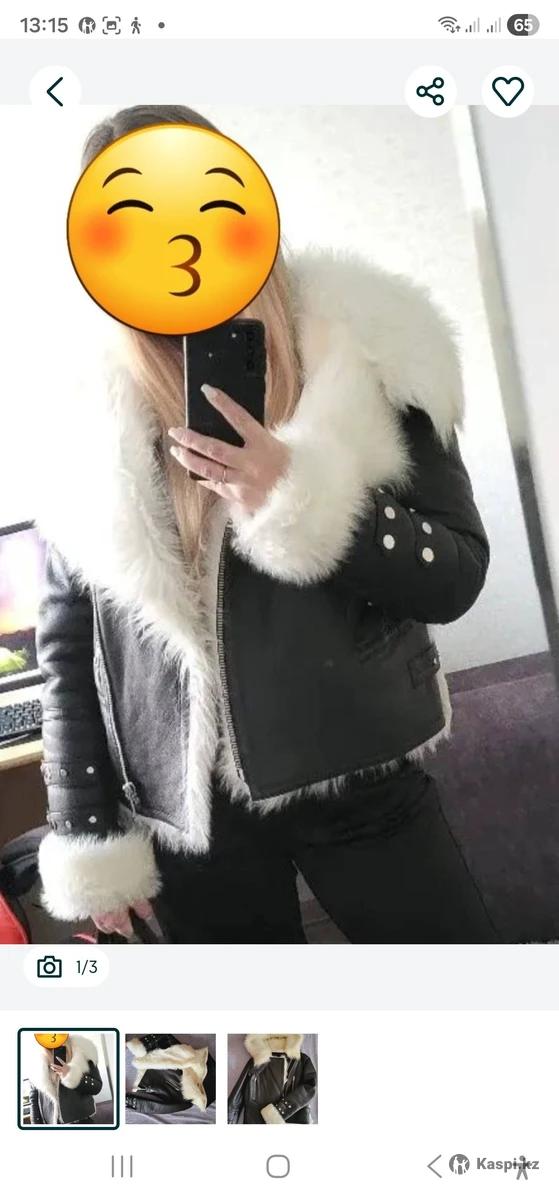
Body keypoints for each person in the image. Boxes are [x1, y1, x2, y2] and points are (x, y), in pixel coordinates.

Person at [36, 104, 496, 945]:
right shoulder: (83, 415)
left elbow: (455, 573)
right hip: (186, 821)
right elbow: (70, 646)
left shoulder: (367, 345)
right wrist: (87, 835)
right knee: (250, 1029)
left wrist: (301, 497)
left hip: (358, 774)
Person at [28, 1035, 102, 1125]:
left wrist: (71, 1075)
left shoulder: (83, 1049)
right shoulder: (35, 1059)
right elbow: (34, 1099)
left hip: (81, 1123)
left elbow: (97, 1087)